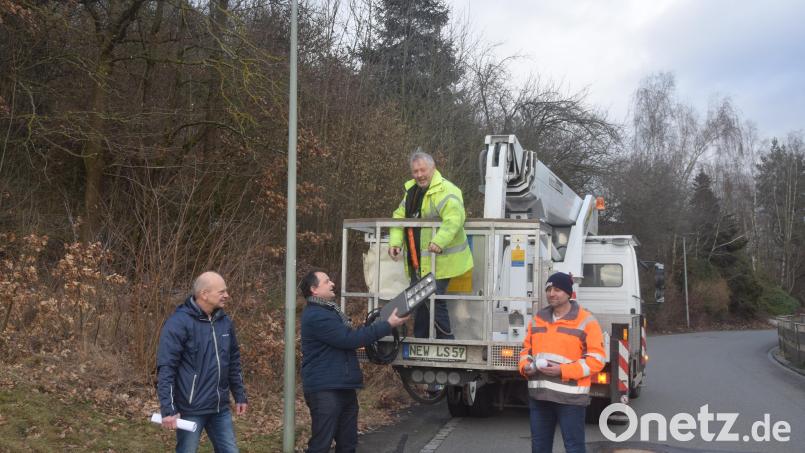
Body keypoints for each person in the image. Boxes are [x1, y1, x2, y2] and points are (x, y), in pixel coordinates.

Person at [300, 269, 408, 453]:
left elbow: (350, 337)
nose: (332, 283)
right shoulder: (316, 316)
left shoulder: (329, 312)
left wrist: (381, 325)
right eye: (327, 281)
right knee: (320, 445)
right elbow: (349, 339)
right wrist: (387, 325)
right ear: (314, 290)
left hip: (343, 387)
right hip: (326, 390)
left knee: (348, 445)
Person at [157, 271, 248, 453]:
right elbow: (166, 368)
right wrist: (168, 408)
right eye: (221, 292)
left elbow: (233, 361)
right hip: (191, 409)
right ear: (204, 294)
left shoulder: (225, 322)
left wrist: (239, 394)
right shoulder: (178, 323)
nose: (227, 296)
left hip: (219, 408)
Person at [388, 149, 473, 339]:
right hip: (418, 262)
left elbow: (454, 219)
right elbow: (398, 217)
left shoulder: (447, 190)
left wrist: (439, 241)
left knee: (431, 298)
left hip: (443, 262)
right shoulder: (411, 192)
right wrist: (395, 242)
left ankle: (444, 342)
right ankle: (423, 340)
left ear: (433, 168)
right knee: (422, 300)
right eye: (415, 171)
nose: (419, 175)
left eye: (422, 170)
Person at [518, 272, 606, 453]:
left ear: (569, 293)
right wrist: (525, 366)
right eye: (549, 289)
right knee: (539, 448)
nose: (551, 293)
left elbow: (597, 360)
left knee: (574, 448)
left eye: (557, 289)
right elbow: (526, 350)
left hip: (571, 399)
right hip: (540, 397)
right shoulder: (538, 319)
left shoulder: (586, 321)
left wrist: (563, 371)